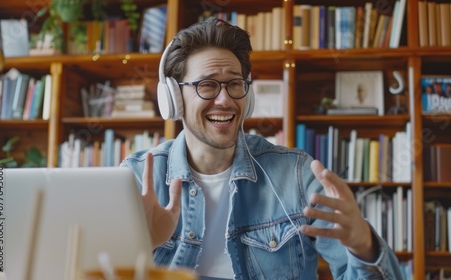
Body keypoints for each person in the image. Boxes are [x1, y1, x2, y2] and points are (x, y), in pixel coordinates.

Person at [121, 18, 402, 280]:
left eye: (234, 84)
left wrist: (364, 246)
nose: (225, 100)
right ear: (173, 98)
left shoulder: (297, 177)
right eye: (207, 85)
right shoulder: (134, 179)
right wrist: (139, 250)